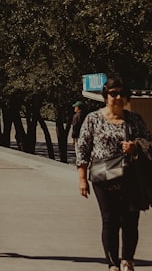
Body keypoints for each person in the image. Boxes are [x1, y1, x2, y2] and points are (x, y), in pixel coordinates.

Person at [76, 77, 150, 271]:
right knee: (110, 220)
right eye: (113, 93)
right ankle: (112, 263)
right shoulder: (93, 118)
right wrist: (82, 178)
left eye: (121, 94)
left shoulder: (134, 120)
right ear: (105, 96)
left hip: (130, 178)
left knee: (131, 221)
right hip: (103, 178)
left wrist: (135, 146)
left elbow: (148, 143)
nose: (117, 97)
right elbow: (82, 149)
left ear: (126, 98)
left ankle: (127, 260)